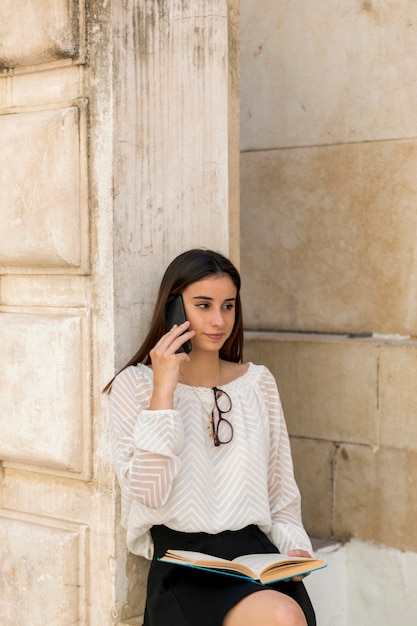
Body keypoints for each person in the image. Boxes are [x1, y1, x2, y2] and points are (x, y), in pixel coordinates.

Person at [106, 249, 316, 626]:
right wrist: (164, 391)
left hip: (257, 557)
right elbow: (149, 493)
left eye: (228, 306)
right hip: (184, 564)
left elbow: (281, 495)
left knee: (286, 613)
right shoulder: (136, 386)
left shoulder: (259, 383)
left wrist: (295, 549)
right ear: (174, 308)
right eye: (203, 305)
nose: (219, 320)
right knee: (283, 617)